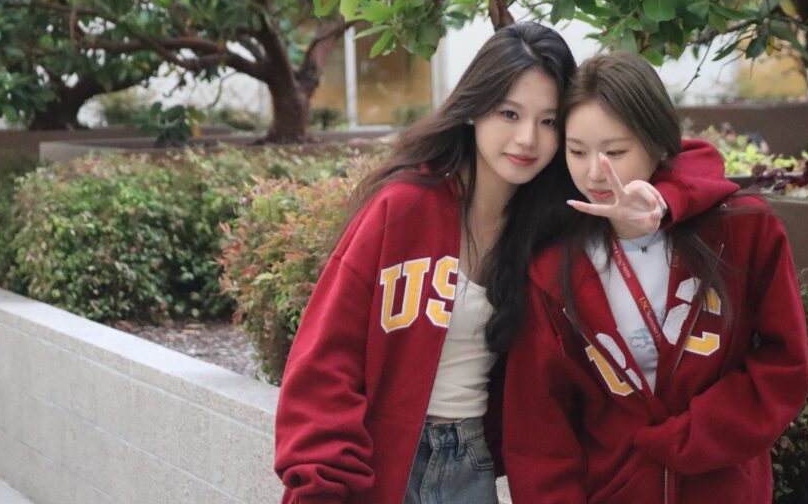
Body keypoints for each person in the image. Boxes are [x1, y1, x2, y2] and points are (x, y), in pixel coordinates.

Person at [274, 26, 730, 504]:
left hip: (472, 468)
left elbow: (697, 164)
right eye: (509, 113)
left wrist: (664, 201)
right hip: (380, 469)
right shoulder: (404, 208)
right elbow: (326, 361)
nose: (527, 138)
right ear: (474, 108)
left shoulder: (557, 220)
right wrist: (320, 486)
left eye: (549, 122)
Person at [503, 51, 808, 504]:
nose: (594, 172)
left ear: (658, 143)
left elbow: (784, 366)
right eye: (577, 151)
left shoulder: (744, 230)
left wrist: (693, 436)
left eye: (615, 152)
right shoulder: (552, 268)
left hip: (723, 487)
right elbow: (539, 426)